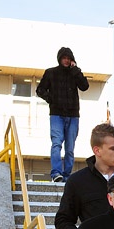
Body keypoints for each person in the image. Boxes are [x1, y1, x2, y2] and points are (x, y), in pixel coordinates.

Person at [36, 47, 89, 182]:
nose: (66, 60)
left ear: (72, 60)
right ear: (60, 59)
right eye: (64, 58)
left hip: (73, 115)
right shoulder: (51, 72)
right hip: (57, 114)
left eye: (68, 58)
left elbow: (85, 86)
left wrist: (76, 70)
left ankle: (67, 175)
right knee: (56, 144)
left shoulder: (74, 73)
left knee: (70, 148)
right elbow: (40, 89)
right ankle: (56, 173)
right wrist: (51, 99)